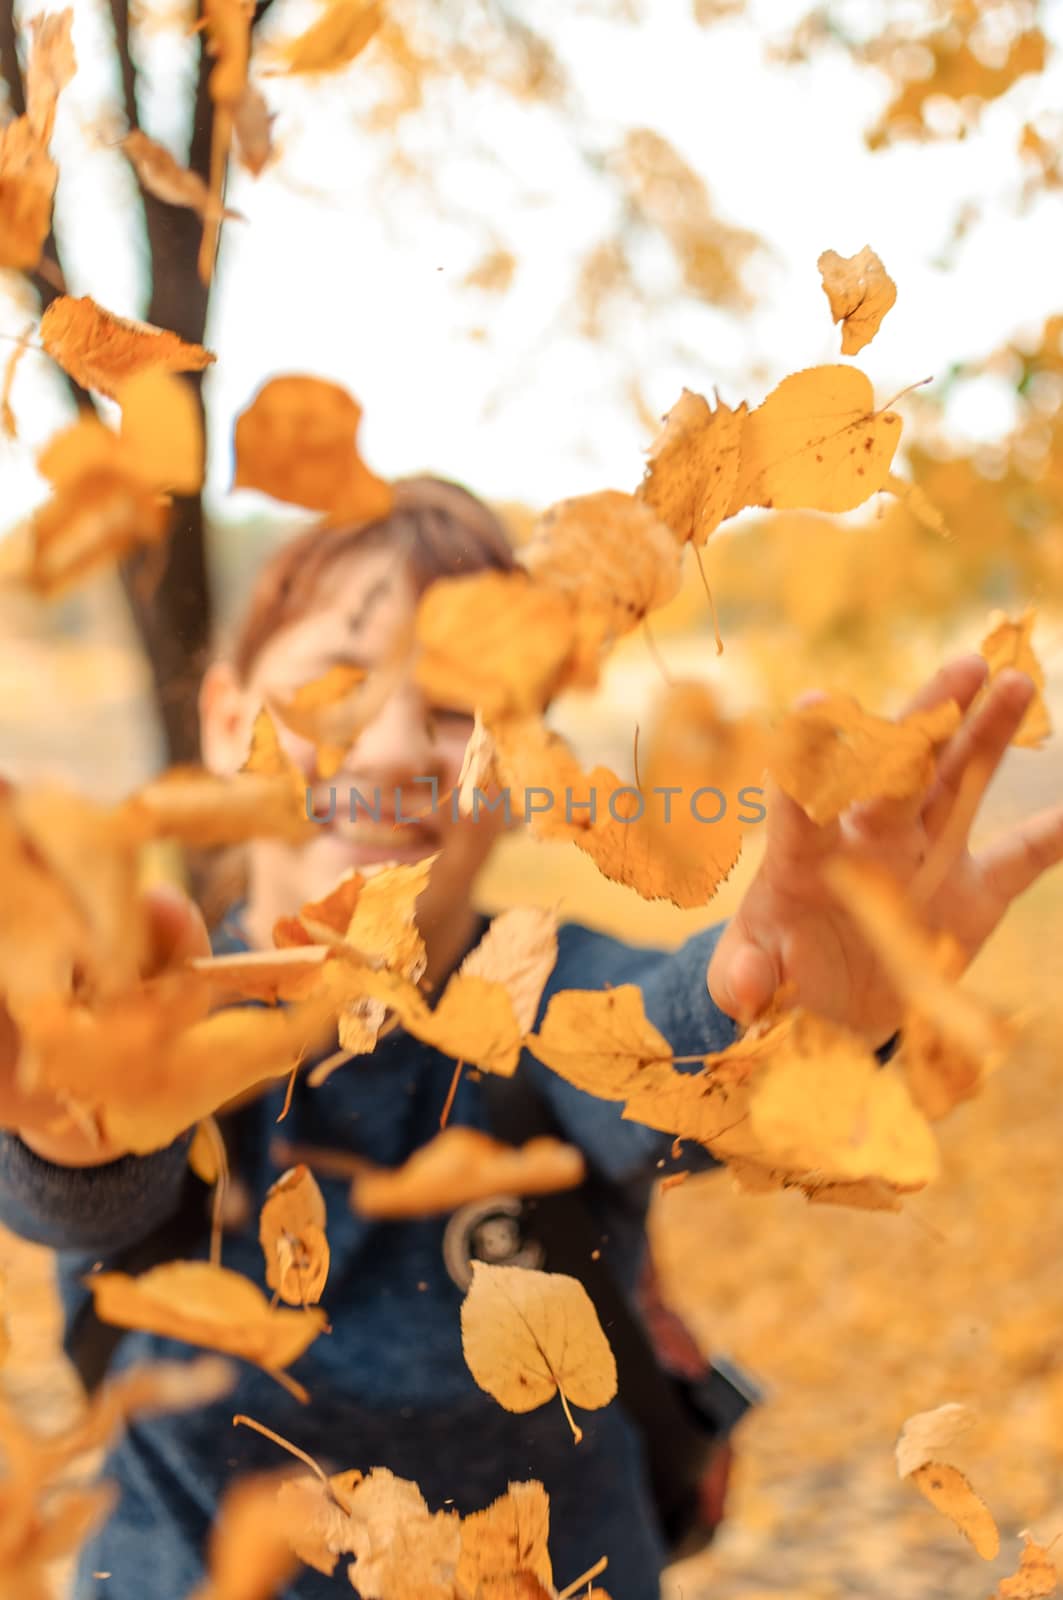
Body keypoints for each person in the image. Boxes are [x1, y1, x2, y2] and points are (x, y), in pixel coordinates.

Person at [0, 475, 1058, 1600]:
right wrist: (77, 1112)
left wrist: (784, 1017)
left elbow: (660, 1039)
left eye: (463, 708)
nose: (399, 744)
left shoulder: (547, 988)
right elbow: (88, 1189)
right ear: (223, 721)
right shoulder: (155, 1013)